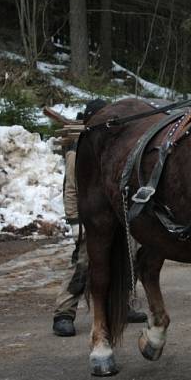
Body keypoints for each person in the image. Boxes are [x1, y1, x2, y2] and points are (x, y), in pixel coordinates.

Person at [52, 99, 148, 337]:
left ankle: (121, 304)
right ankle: (64, 311)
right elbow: (72, 190)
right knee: (84, 264)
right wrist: (75, 222)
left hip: (117, 216)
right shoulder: (79, 154)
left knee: (126, 260)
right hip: (91, 219)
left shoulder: (118, 150)